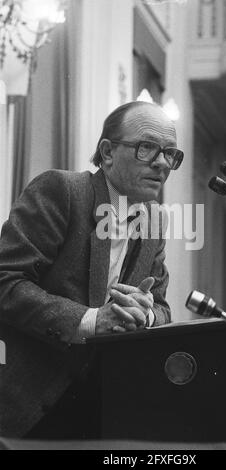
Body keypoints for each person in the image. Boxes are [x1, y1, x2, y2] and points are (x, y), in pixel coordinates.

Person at [0, 101, 184, 439]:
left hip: (106, 406)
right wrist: (92, 320)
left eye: (171, 153)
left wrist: (144, 315)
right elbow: (6, 283)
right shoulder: (63, 191)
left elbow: (161, 306)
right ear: (108, 152)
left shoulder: (155, 219)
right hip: (27, 405)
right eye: (147, 148)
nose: (162, 163)